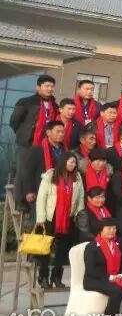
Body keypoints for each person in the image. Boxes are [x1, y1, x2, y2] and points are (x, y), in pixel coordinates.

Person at [35, 153, 84, 288]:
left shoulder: (77, 177)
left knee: (62, 250)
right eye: (71, 162)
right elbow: (41, 198)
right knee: (45, 249)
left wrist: (78, 213)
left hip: (68, 218)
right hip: (51, 217)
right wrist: (41, 218)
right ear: (63, 162)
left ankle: (57, 277)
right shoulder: (51, 175)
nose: (73, 165)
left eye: (75, 163)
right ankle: (43, 277)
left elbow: (80, 197)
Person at [10, 74, 57, 213]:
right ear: (38, 87)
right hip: (28, 142)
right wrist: (24, 134)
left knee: (41, 172)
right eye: (46, 86)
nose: (50, 89)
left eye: (52, 86)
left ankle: (37, 200)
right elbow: (14, 121)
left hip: (45, 144)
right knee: (23, 171)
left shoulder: (55, 105)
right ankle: (21, 202)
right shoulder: (26, 102)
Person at [82, 219, 122, 316]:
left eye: (114, 228)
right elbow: (91, 269)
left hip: (115, 278)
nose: (112, 231)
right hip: (95, 280)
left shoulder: (117, 245)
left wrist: (121, 275)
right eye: (109, 228)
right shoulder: (92, 247)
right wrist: (110, 277)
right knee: (116, 290)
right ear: (101, 230)